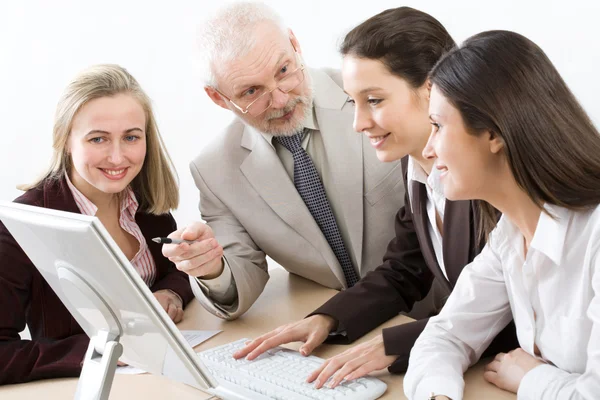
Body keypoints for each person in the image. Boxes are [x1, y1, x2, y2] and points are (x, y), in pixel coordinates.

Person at [233, 6, 517, 387]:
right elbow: (404, 269)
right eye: (355, 102)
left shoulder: (493, 176)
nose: (358, 123)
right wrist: (328, 319)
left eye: (375, 100)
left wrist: (398, 343)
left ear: (435, 88)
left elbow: (514, 310)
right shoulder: (415, 167)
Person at [162, 2, 406, 320]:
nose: (280, 99)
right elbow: (241, 273)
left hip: (437, 312)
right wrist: (210, 268)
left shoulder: (374, 96)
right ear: (218, 97)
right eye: (252, 91)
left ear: (295, 44)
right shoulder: (215, 169)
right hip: (338, 329)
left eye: (283, 71)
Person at [404, 30, 600, 400]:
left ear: (493, 132)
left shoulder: (594, 235)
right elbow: (445, 335)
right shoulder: (510, 235)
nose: (428, 149)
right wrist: (438, 396)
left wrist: (531, 379)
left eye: (438, 125)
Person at [0, 64, 195, 385]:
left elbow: (174, 270)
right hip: (81, 386)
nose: (118, 158)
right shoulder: (19, 226)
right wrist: (102, 350)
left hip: (159, 378)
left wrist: (170, 294)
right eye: (98, 139)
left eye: (131, 137)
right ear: (65, 140)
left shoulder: (146, 204)